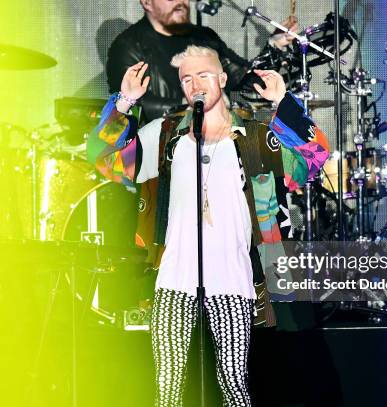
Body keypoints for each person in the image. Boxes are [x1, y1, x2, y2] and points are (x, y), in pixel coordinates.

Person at [87, 45, 329, 406]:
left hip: (232, 279)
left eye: (202, 75)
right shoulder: (166, 136)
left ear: (222, 79)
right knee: (167, 388)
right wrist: (122, 103)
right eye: (186, 78)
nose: (194, 84)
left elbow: (314, 160)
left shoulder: (254, 138)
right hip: (174, 280)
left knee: (234, 384)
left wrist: (284, 104)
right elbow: (105, 160)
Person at [106, 0, 297, 122]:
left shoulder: (204, 36)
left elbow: (241, 81)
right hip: (161, 146)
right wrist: (189, 104)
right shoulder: (128, 45)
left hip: (216, 138)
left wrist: (274, 46)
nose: (181, 3)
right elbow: (128, 104)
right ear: (147, 2)